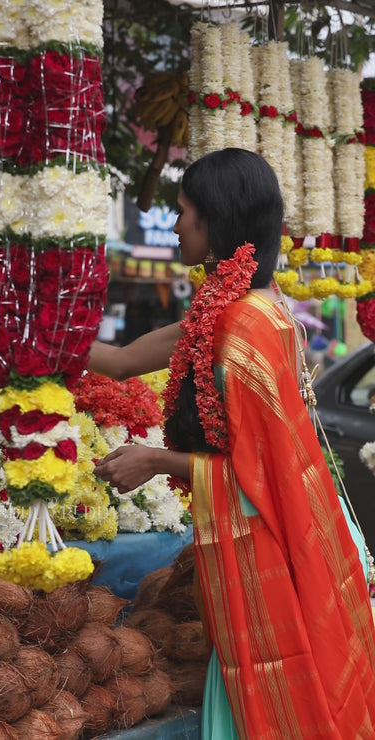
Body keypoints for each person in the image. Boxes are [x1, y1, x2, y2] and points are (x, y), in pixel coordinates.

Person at [90, 148, 375, 738]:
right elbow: (119, 362)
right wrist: (33, 337)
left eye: (183, 210)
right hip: (255, 546)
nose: (174, 224)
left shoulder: (244, 324)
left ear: (215, 219)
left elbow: (259, 471)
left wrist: (155, 460)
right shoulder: (235, 312)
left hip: (263, 543)